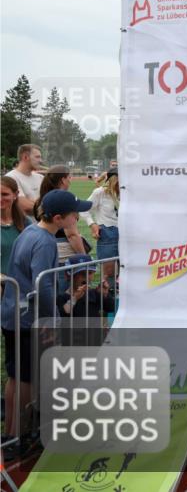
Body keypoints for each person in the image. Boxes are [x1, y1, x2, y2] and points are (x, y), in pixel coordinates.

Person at [2, 189, 91, 447]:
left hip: (13, 314)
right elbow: (43, 285)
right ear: (59, 218)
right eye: (74, 215)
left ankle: (12, 432)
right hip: (28, 319)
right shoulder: (44, 241)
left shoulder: (29, 231)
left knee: (16, 375)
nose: (77, 218)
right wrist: (53, 320)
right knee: (26, 377)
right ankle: (19, 434)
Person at [34, 165, 89, 263]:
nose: (70, 181)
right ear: (63, 180)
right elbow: (72, 234)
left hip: (47, 249)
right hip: (65, 253)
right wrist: (83, 257)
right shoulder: (63, 202)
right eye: (69, 177)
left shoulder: (39, 200)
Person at [82, 168, 119, 278]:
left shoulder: (128, 192)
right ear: (114, 180)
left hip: (127, 235)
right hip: (108, 234)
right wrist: (92, 224)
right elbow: (84, 210)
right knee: (109, 273)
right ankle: (110, 294)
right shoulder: (100, 192)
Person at [1, 176, 29, 285]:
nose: (0, 199)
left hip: (20, 287)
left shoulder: (25, 223)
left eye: (5, 194)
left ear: (15, 195)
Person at [5, 144, 44, 217]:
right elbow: (25, 206)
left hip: (41, 226)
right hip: (23, 227)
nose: (41, 161)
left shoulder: (40, 177)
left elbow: (50, 199)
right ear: (25, 157)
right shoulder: (11, 178)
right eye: (37, 157)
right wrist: (47, 208)